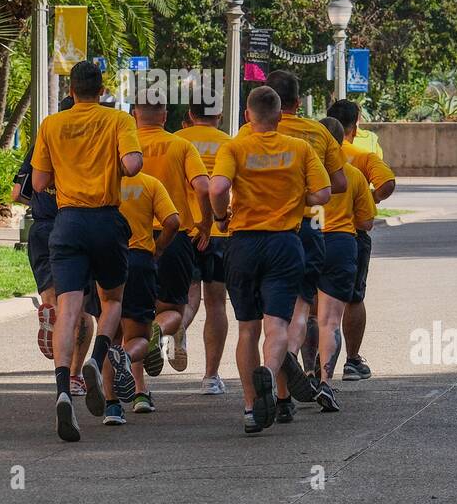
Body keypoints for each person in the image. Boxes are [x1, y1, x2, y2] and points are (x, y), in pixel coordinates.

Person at [32, 61, 143, 442]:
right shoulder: (118, 121)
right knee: (112, 300)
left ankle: (64, 386)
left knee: (69, 307)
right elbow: (132, 166)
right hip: (105, 220)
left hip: (67, 223)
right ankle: (96, 360)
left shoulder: (51, 124)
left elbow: (39, 181)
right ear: (101, 89)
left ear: (72, 90)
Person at [212, 86, 331, 435]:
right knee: (276, 324)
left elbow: (217, 188)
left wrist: (221, 217)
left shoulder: (234, 147)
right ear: (280, 117)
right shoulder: (299, 148)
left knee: (247, 328)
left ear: (248, 116)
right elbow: (323, 193)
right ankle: (271, 368)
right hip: (284, 242)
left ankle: (251, 407)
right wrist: (296, 195)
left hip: (243, 243)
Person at [237, 69, 345, 406]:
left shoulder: (246, 133)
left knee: (262, 318)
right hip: (307, 228)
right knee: (299, 308)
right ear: (297, 102)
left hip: (255, 232)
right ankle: (290, 353)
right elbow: (336, 185)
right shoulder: (316, 134)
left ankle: (274, 394)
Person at [12, 96, 94, 398]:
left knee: (55, 299)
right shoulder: (92, 141)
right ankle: (74, 376)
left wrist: (42, 197)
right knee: (80, 307)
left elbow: (17, 193)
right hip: (76, 225)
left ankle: (51, 313)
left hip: (41, 227)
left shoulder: (44, 139)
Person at [131, 97, 211, 378]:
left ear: (133, 114)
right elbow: (203, 187)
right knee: (176, 306)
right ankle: (164, 330)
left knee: (132, 313)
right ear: (165, 116)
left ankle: (140, 390)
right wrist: (206, 223)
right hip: (174, 233)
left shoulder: (124, 148)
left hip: (132, 237)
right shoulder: (181, 145)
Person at [103, 170, 180, 424]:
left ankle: (112, 406)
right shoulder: (150, 183)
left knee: (109, 335)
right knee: (139, 337)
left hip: (105, 259)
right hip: (138, 260)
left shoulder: (100, 179)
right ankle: (126, 360)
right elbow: (172, 222)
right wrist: (158, 249)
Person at [328, 99, 397, 381]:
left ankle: (313, 362)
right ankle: (352, 361)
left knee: (311, 301)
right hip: (351, 233)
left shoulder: (310, 151)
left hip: (311, 230)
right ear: (355, 125)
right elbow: (387, 183)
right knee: (353, 297)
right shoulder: (362, 157)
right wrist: (371, 198)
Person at [312, 117, 377, 404]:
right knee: (330, 320)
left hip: (307, 238)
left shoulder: (303, 172)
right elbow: (367, 221)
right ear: (342, 141)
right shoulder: (352, 175)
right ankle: (326, 380)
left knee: (303, 315)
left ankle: (303, 375)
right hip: (341, 243)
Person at [177, 100, 232, 395]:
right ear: (219, 115)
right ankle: (210, 377)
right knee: (216, 303)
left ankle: (178, 326)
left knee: (188, 294)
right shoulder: (228, 144)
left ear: (189, 114)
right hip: (218, 231)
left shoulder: (176, 141)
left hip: (183, 229)